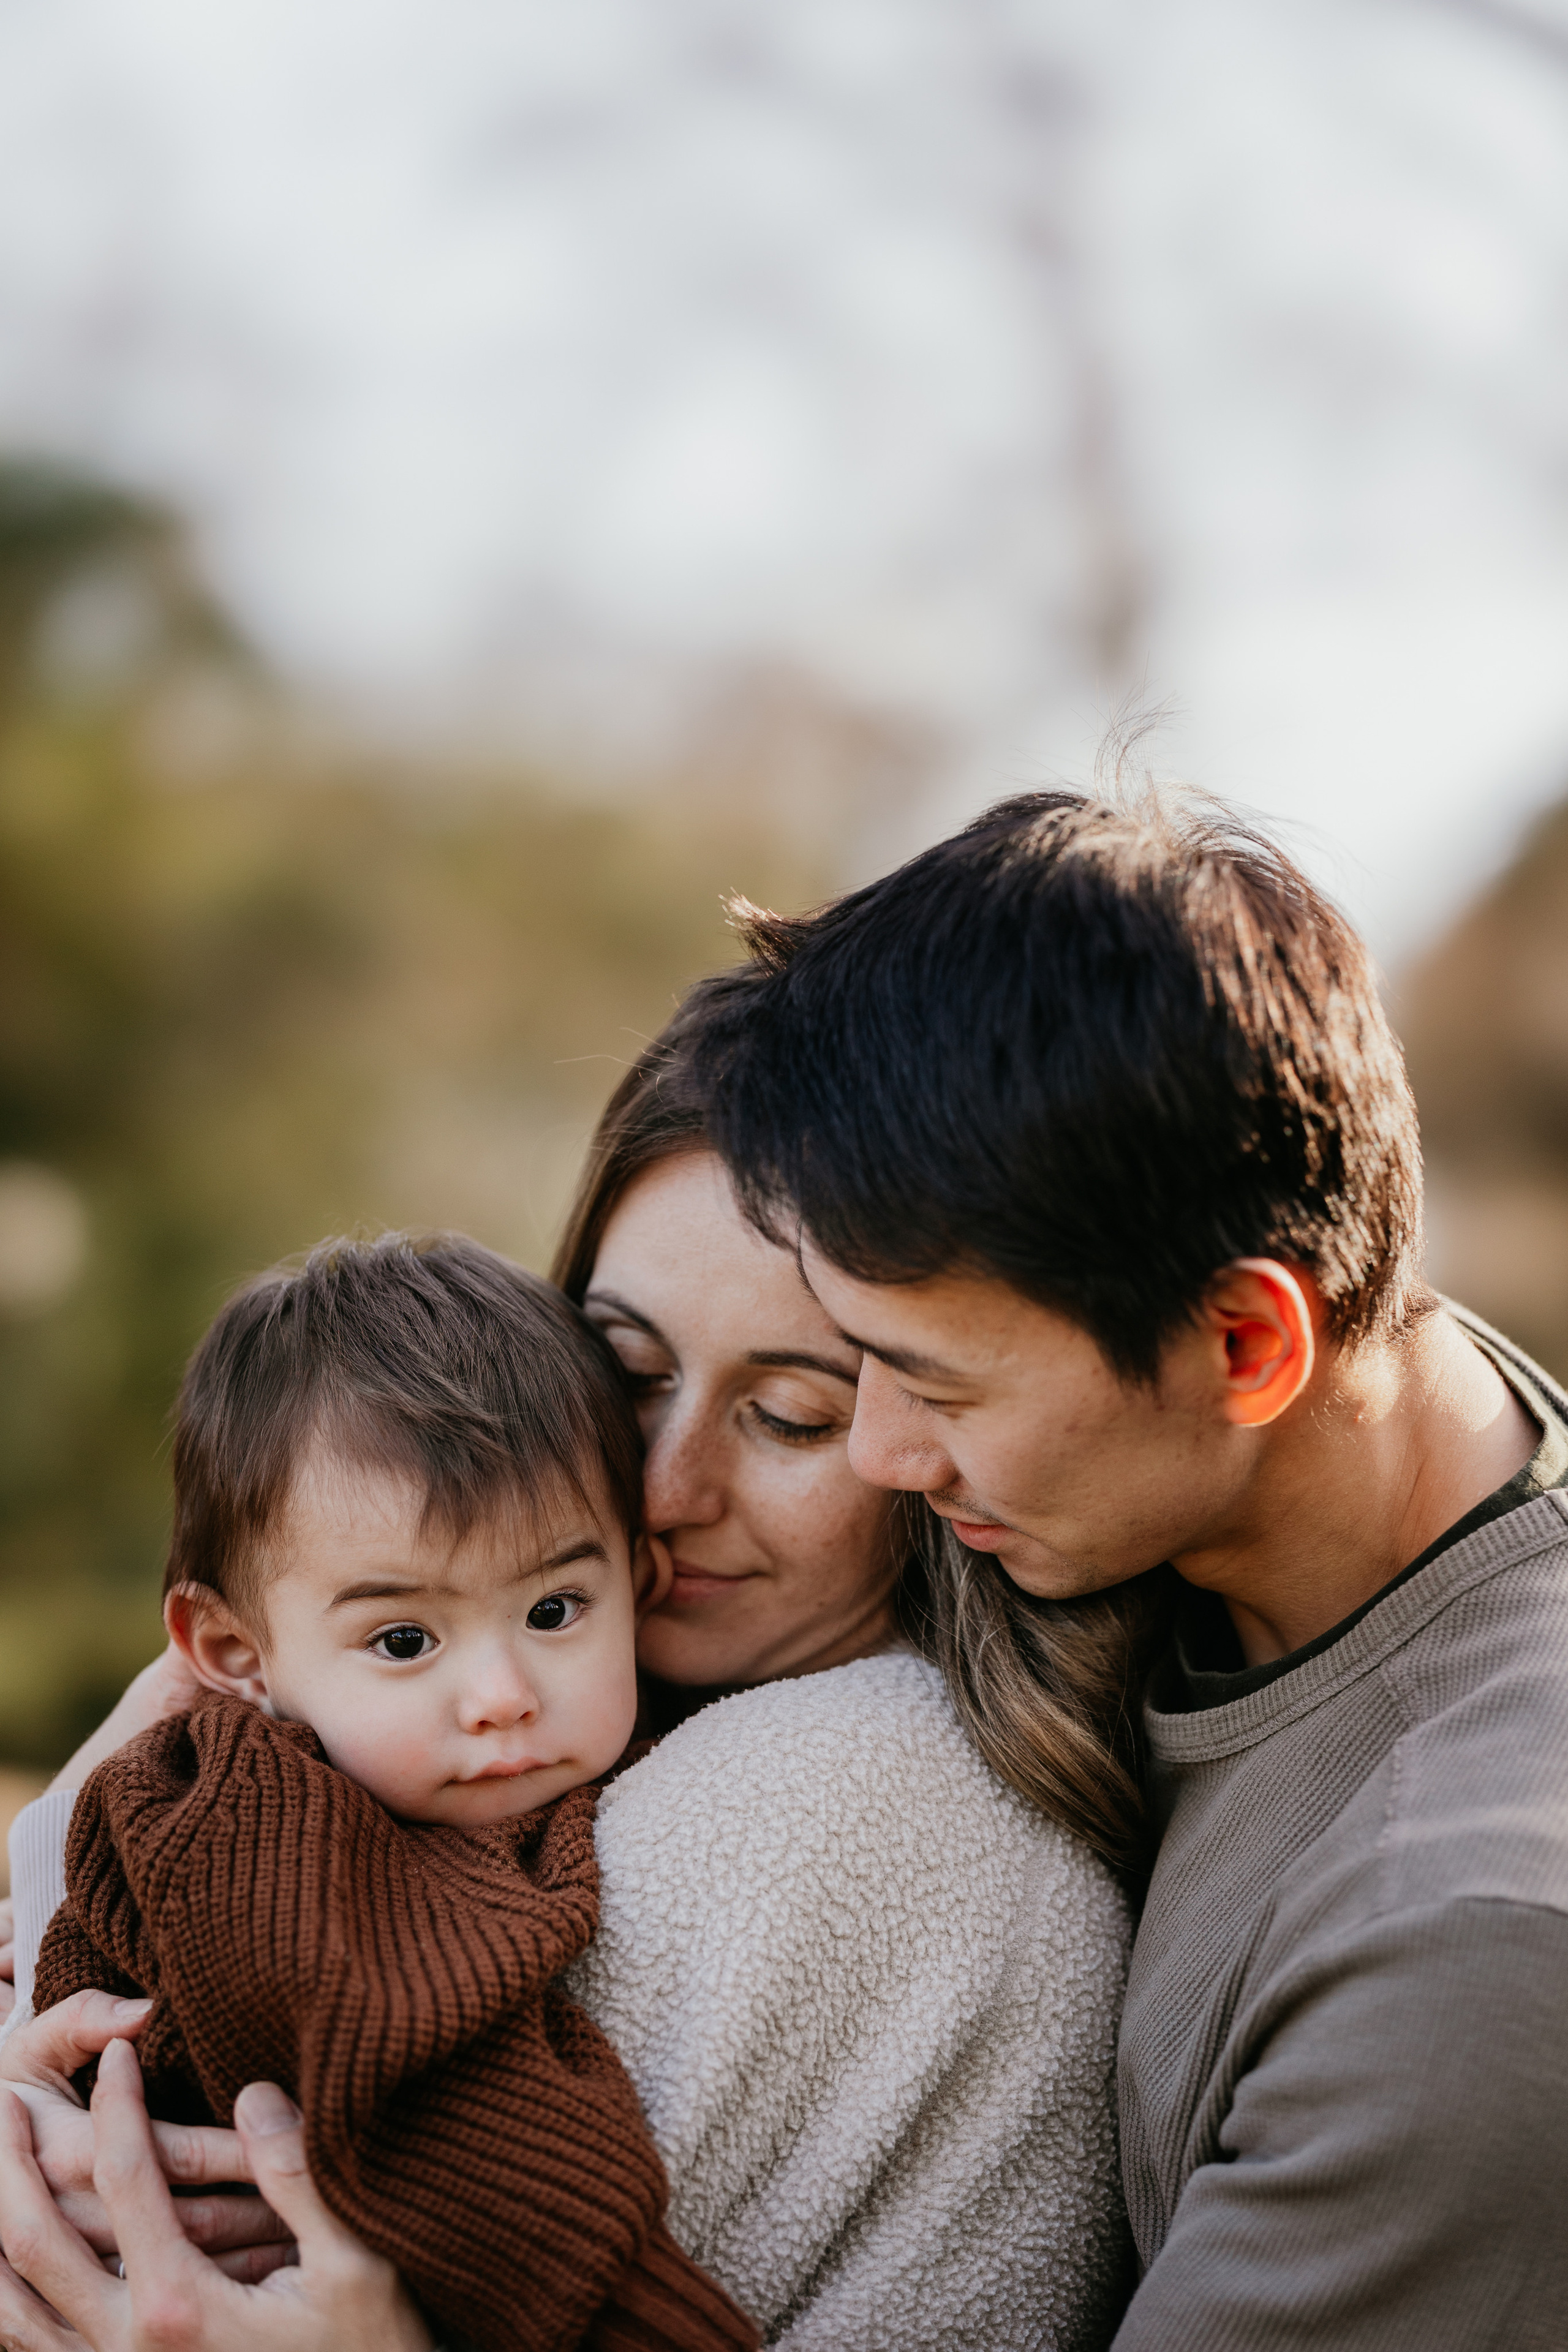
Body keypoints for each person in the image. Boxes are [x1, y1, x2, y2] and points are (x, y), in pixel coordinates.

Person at [0, 975, 1144, 2352]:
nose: (655, 1494)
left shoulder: (860, 1799)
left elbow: (507, 2194)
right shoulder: (274, 1754)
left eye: (789, 1416)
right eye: (625, 1368)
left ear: (936, 1432)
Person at [677, 788, 1568, 2348]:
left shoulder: (1467, 1947)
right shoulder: (1191, 1498)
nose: (879, 1453)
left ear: (1246, 1343)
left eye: (937, 1387)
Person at [31, 1231, 756, 2352]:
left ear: (639, 1578)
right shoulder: (250, 1824)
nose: (503, 1695)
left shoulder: (695, 1767)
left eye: (556, 1610)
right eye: (406, 1638)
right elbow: (444, 2116)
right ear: (233, 1652)